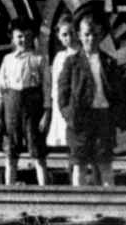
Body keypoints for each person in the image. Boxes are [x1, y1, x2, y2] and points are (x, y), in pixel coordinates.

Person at [59, 9, 121, 187]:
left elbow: (118, 92)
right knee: (79, 162)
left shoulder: (109, 62)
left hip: (103, 116)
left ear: (101, 35)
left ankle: (109, 201)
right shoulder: (72, 62)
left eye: (94, 34)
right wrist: (69, 115)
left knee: (104, 162)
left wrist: (114, 115)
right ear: (79, 35)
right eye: (86, 35)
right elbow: (62, 93)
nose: (91, 39)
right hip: (80, 118)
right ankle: (79, 202)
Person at [0, 16, 51, 186]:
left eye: (27, 36)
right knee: (11, 152)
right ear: (12, 37)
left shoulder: (40, 59)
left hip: (33, 105)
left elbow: (47, 87)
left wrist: (46, 113)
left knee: (38, 152)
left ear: (33, 36)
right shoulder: (7, 60)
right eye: (19, 36)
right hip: (11, 105)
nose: (23, 40)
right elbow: (0, 88)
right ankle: (9, 191)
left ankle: (44, 192)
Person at [47, 14, 78, 154]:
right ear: (59, 36)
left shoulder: (81, 54)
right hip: (62, 102)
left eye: (72, 33)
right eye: (65, 35)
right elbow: (55, 83)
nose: (69, 38)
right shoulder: (59, 57)